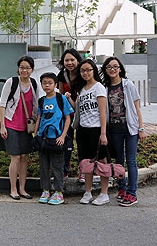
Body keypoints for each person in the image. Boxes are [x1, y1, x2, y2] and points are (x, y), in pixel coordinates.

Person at [100, 56, 148, 207]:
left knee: (131, 161)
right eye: (109, 67)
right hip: (114, 130)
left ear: (120, 69)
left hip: (131, 128)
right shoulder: (105, 88)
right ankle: (121, 189)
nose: (112, 69)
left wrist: (141, 128)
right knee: (119, 161)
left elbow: (137, 108)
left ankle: (132, 193)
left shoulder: (128, 85)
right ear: (106, 70)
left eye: (115, 66)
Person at [0, 55, 43, 200]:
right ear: (18, 68)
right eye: (22, 67)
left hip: (27, 127)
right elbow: (2, 104)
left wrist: (37, 126)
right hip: (11, 124)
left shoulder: (34, 84)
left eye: (27, 68)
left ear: (32, 69)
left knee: (24, 157)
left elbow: (37, 105)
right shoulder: (11, 82)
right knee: (15, 157)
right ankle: (13, 189)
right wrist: (3, 126)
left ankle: (23, 189)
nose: (24, 70)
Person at [35, 72, 73, 205]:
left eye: (50, 83)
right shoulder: (41, 100)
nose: (47, 85)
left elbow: (68, 118)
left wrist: (62, 136)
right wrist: (36, 135)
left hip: (57, 139)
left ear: (56, 85)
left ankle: (58, 192)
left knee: (57, 167)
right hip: (43, 139)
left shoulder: (61, 98)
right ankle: (45, 190)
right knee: (44, 167)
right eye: (44, 83)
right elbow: (39, 118)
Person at [75, 59, 110, 205]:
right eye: (82, 70)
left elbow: (103, 112)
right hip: (83, 129)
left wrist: (103, 133)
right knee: (86, 162)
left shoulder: (99, 87)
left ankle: (104, 193)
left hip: (96, 129)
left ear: (94, 70)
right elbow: (80, 110)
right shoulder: (82, 89)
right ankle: (88, 192)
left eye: (88, 70)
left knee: (102, 161)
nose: (85, 73)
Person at [56, 49, 83, 178]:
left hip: (84, 113)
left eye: (72, 59)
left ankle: (83, 170)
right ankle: (64, 170)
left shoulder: (84, 73)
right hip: (68, 115)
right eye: (67, 60)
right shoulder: (62, 74)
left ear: (78, 60)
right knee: (67, 143)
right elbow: (60, 95)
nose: (70, 62)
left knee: (83, 142)